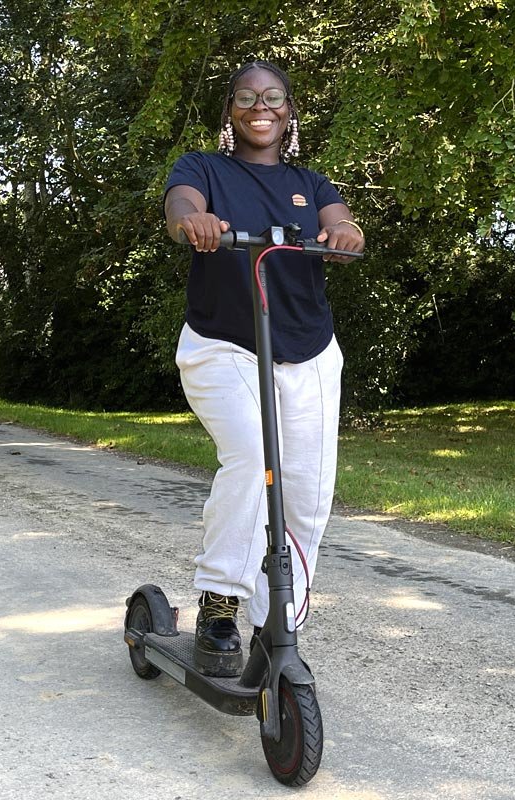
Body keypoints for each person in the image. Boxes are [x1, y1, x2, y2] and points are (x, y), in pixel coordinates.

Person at [163, 60, 364, 677]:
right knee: (254, 459)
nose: (261, 106)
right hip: (223, 345)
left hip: (306, 350)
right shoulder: (203, 168)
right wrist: (192, 223)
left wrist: (347, 231)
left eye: (273, 97)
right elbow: (180, 207)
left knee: (305, 490)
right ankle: (221, 602)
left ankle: (281, 622)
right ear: (231, 110)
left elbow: (338, 220)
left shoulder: (313, 181)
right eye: (247, 97)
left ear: (289, 111)